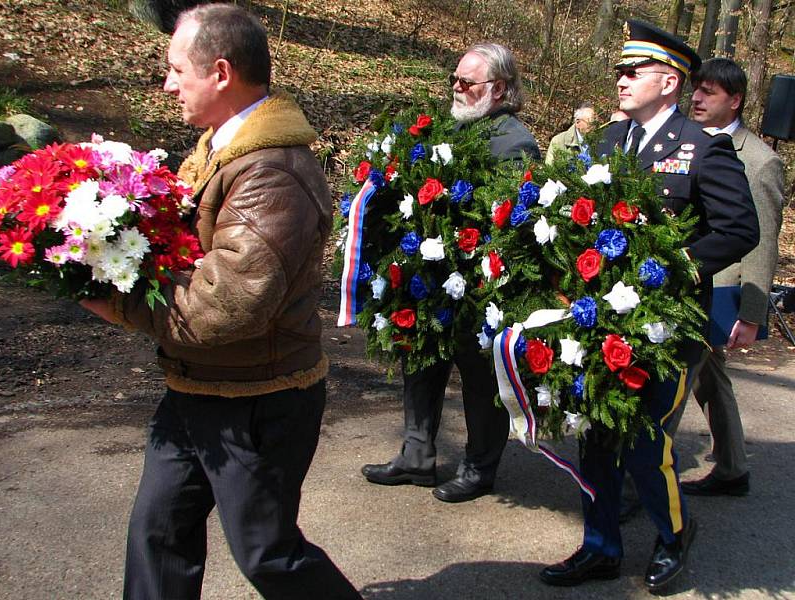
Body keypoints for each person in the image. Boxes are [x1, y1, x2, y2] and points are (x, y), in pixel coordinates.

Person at [80, 5, 362, 599]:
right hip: (197, 385)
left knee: (268, 553)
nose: (167, 84)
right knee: (158, 534)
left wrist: (119, 306)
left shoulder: (274, 171)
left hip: (259, 397)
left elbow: (228, 304)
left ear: (221, 73)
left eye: (176, 70)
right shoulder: (217, 149)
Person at [539, 20, 759, 592]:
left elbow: (739, 229)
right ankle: (600, 547)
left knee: (643, 441)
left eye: (633, 71)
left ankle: (673, 533)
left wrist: (678, 263)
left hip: (667, 322)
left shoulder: (704, 147)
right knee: (597, 435)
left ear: (668, 81)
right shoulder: (608, 144)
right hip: (599, 318)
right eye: (619, 71)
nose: (621, 80)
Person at [361, 43, 541, 504]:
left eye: (468, 82)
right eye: (455, 80)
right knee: (420, 362)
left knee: (480, 380)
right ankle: (416, 455)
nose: (457, 89)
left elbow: (510, 217)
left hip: (478, 283)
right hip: (430, 278)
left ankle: (480, 467)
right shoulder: (447, 128)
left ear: (499, 89)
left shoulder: (514, 140)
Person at [667, 57, 785, 497]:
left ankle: (644, 478)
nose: (696, 98)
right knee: (709, 380)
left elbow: (761, 240)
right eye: (695, 89)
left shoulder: (759, 161)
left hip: (722, 293)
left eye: (709, 93)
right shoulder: (687, 144)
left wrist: (752, 315)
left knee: (675, 384)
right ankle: (733, 468)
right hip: (693, 287)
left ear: (734, 101)